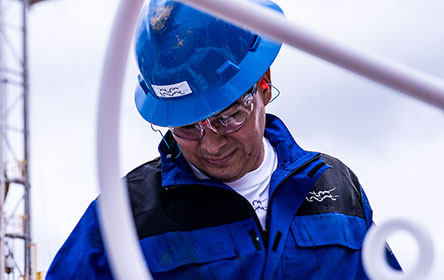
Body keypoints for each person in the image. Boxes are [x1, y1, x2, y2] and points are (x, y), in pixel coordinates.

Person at [47, 0, 400, 279]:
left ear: (263, 84)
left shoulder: (335, 188)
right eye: (187, 127)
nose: (211, 145)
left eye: (227, 117)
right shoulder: (122, 216)